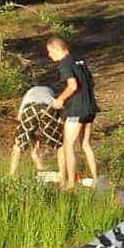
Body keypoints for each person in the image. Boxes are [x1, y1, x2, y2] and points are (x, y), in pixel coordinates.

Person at [47, 37, 98, 190]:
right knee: (85, 144)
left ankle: (70, 184)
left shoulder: (65, 63)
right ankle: (96, 180)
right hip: (90, 108)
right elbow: (91, 82)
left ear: (57, 49)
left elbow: (73, 86)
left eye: (50, 52)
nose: (49, 55)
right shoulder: (79, 59)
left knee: (68, 145)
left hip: (76, 110)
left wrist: (60, 99)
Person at [8, 84, 63, 177]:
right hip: (47, 107)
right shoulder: (51, 92)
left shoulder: (29, 93)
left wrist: (25, 135)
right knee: (60, 145)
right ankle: (62, 175)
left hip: (31, 107)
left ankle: (12, 174)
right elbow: (58, 109)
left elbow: (19, 117)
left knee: (18, 143)